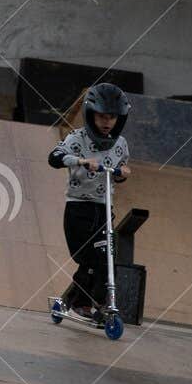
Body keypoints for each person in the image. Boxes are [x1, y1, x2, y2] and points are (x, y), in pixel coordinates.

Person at [47, 82, 132, 320]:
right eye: (102, 116)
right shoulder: (77, 138)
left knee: (107, 258)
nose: (107, 122)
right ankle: (80, 303)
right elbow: (54, 158)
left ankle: (97, 303)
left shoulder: (121, 144)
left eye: (112, 117)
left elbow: (119, 171)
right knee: (89, 259)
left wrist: (123, 173)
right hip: (79, 209)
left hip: (104, 209)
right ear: (91, 114)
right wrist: (81, 161)